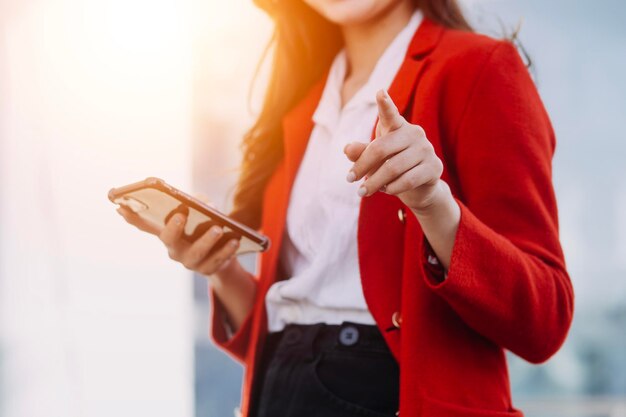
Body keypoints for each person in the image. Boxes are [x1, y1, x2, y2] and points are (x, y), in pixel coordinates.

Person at [117, 0, 575, 416]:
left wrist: (434, 205)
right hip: (277, 390)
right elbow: (294, 324)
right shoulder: (300, 98)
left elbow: (544, 321)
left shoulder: (479, 67)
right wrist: (219, 268)